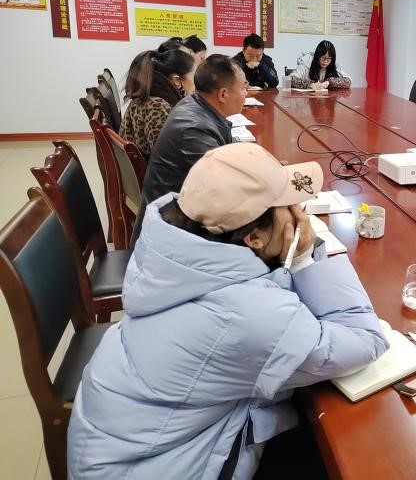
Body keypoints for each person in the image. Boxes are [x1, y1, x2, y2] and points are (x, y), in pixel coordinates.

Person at [68, 143, 389, 479]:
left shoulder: (173, 252)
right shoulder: (247, 316)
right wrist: (304, 257)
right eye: (288, 206)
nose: (299, 212)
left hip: (120, 447)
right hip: (152, 467)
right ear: (254, 238)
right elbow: (365, 339)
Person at [132, 54, 247, 243]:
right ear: (223, 94)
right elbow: (228, 187)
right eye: (243, 88)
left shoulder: (197, 103)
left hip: (179, 213)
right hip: (170, 231)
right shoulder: (193, 129)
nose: (246, 94)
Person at [119, 49, 196, 159]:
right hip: (154, 168)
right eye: (194, 75)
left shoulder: (153, 97)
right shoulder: (157, 107)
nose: (197, 81)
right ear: (177, 80)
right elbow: (167, 155)